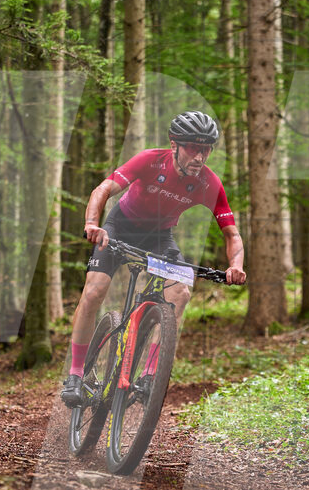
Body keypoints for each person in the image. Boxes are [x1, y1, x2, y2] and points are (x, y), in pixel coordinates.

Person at [61, 111, 246, 406]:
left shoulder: (209, 183)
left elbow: (231, 234)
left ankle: (149, 375)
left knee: (181, 292)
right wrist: (92, 224)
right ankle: (75, 374)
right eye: (192, 147)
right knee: (94, 290)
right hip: (119, 226)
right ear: (174, 145)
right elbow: (103, 189)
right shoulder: (149, 160)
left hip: (160, 238)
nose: (199, 156)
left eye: (206, 149)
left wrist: (235, 265)